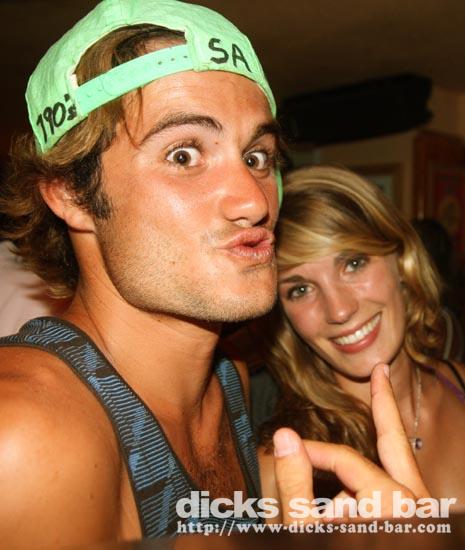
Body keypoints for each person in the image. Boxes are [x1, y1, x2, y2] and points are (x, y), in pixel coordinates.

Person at [0, 1, 428, 547]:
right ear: (71, 195)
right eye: (184, 155)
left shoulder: (229, 383)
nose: (255, 200)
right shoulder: (26, 434)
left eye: (257, 156)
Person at [257, 165, 465, 508]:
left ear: (402, 261)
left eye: (353, 264)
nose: (339, 310)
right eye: (300, 289)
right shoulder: (284, 468)